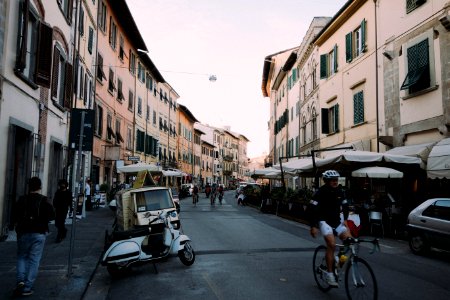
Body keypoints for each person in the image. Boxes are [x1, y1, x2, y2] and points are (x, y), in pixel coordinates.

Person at [308, 170, 351, 288]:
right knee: (331, 244)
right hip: (324, 221)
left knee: (350, 241)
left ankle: (338, 259)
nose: (335, 182)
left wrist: (346, 219)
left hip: (337, 221)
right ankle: (330, 274)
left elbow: (345, 205)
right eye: (332, 180)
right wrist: (313, 226)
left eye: (336, 179)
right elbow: (311, 209)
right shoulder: (320, 192)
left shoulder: (340, 191)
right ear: (326, 181)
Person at [12, 177, 54, 297]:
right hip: (39, 233)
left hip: (23, 232)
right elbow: (52, 216)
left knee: (22, 257)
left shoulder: (22, 199)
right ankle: (27, 287)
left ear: (28, 186)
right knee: (34, 260)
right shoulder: (44, 200)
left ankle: (20, 280)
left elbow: (14, 215)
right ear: (40, 187)